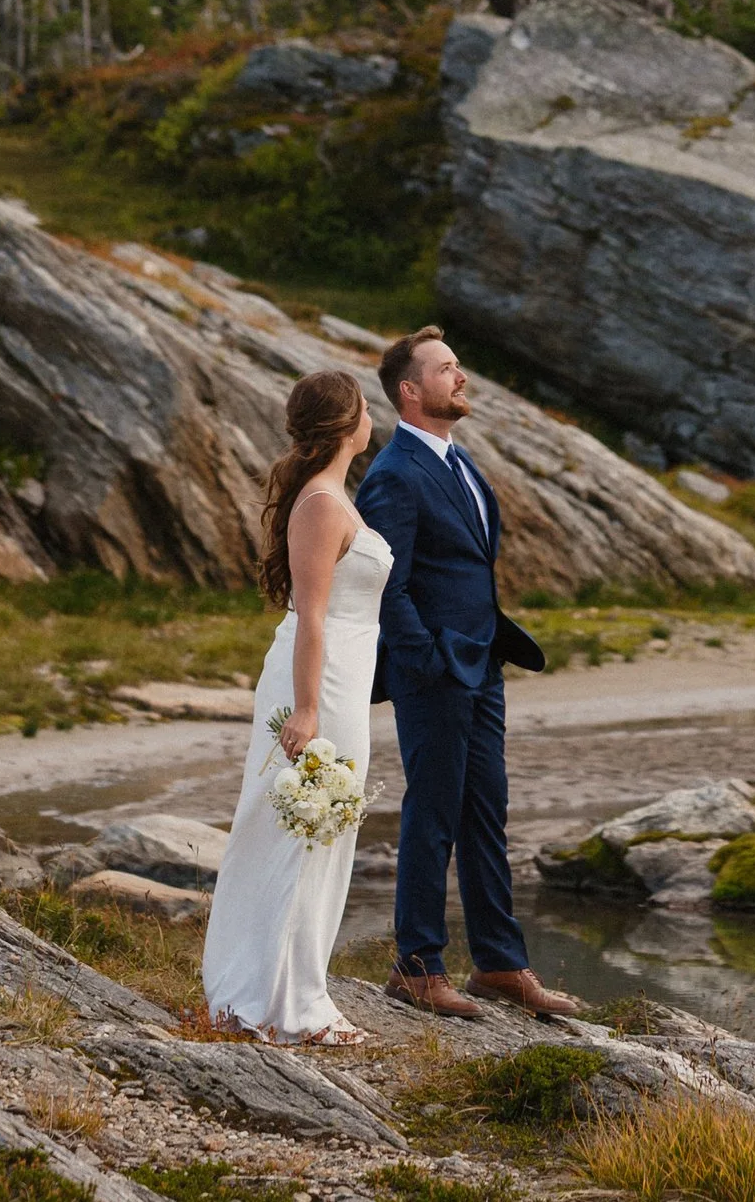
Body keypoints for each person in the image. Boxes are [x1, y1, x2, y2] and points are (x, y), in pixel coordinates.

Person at [357, 324, 578, 1018]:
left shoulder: (461, 462)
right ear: (409, 389)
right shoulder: (394, 474)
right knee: (432, 814)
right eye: (446, 368)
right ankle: (416, 967)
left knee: (486, 813)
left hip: (482, 664)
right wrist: (422, 660)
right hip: (437, 671)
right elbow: (384, 583)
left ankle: (502, 964)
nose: (461, 377)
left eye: (458, 366)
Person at [202, 365, 387, 1037]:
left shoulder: (336, 496)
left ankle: (303, 988)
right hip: (317, 684)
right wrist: (306, 710)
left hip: (345, 684)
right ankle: (268, 996)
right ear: (346, 422)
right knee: (292, 831)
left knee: (326, 832)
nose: (373, 417)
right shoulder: (320, 505)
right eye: (366, 407)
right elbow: (310, 613)